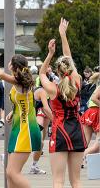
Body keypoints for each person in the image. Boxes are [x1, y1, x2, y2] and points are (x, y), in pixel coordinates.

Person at [39, 18, 87, 188]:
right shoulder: (77, 81)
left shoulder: (53, 89)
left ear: (57, 71)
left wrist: (50, 54)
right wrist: (63, 34)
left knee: (58, 181)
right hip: (77, 131)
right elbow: (69, 58)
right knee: (77, 181)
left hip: (60, 131)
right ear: (70, 69)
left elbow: (42, 73)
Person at [0, 51, 41, 188]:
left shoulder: (19, 81)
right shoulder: (22, 81)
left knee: (12, 172)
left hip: (25, 129)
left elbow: (1, 75)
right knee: (11, 175)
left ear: (13, 66)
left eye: (9, 62)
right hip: (19, 127)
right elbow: (25, 103)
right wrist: (13, 112)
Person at [29, 81, 53, 174]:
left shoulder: (39, 92)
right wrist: (56, 121)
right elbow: (46, 109)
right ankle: (7, 157)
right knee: (38, 142)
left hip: (29, 118)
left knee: (40, 143)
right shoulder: (42, 91)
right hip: (29, 119)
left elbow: (45, 110)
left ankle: (34, 166)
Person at [81, 75, 100, 168]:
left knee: (86, 141)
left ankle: (79, 159)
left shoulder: (97, 85)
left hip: (90, 112)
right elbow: (93, 99)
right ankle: (81, 158)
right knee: (96, 144)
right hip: (95, 112)